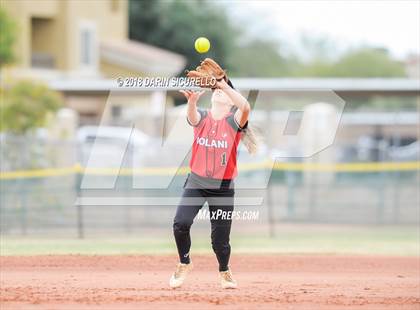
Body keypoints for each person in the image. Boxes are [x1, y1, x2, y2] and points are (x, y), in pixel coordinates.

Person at [169, 70, 258, 289]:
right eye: (216, 90)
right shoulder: (203, 116)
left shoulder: (234, 121)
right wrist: (191, 102)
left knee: (220, 242)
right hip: (196, 183)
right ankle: (184, 262)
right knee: (181, 224)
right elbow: (192, 118)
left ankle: (224, 271)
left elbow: (245, 107)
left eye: (224, 92)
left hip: (223, 188)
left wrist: (224, 84)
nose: (219, 92)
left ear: (230, 101)